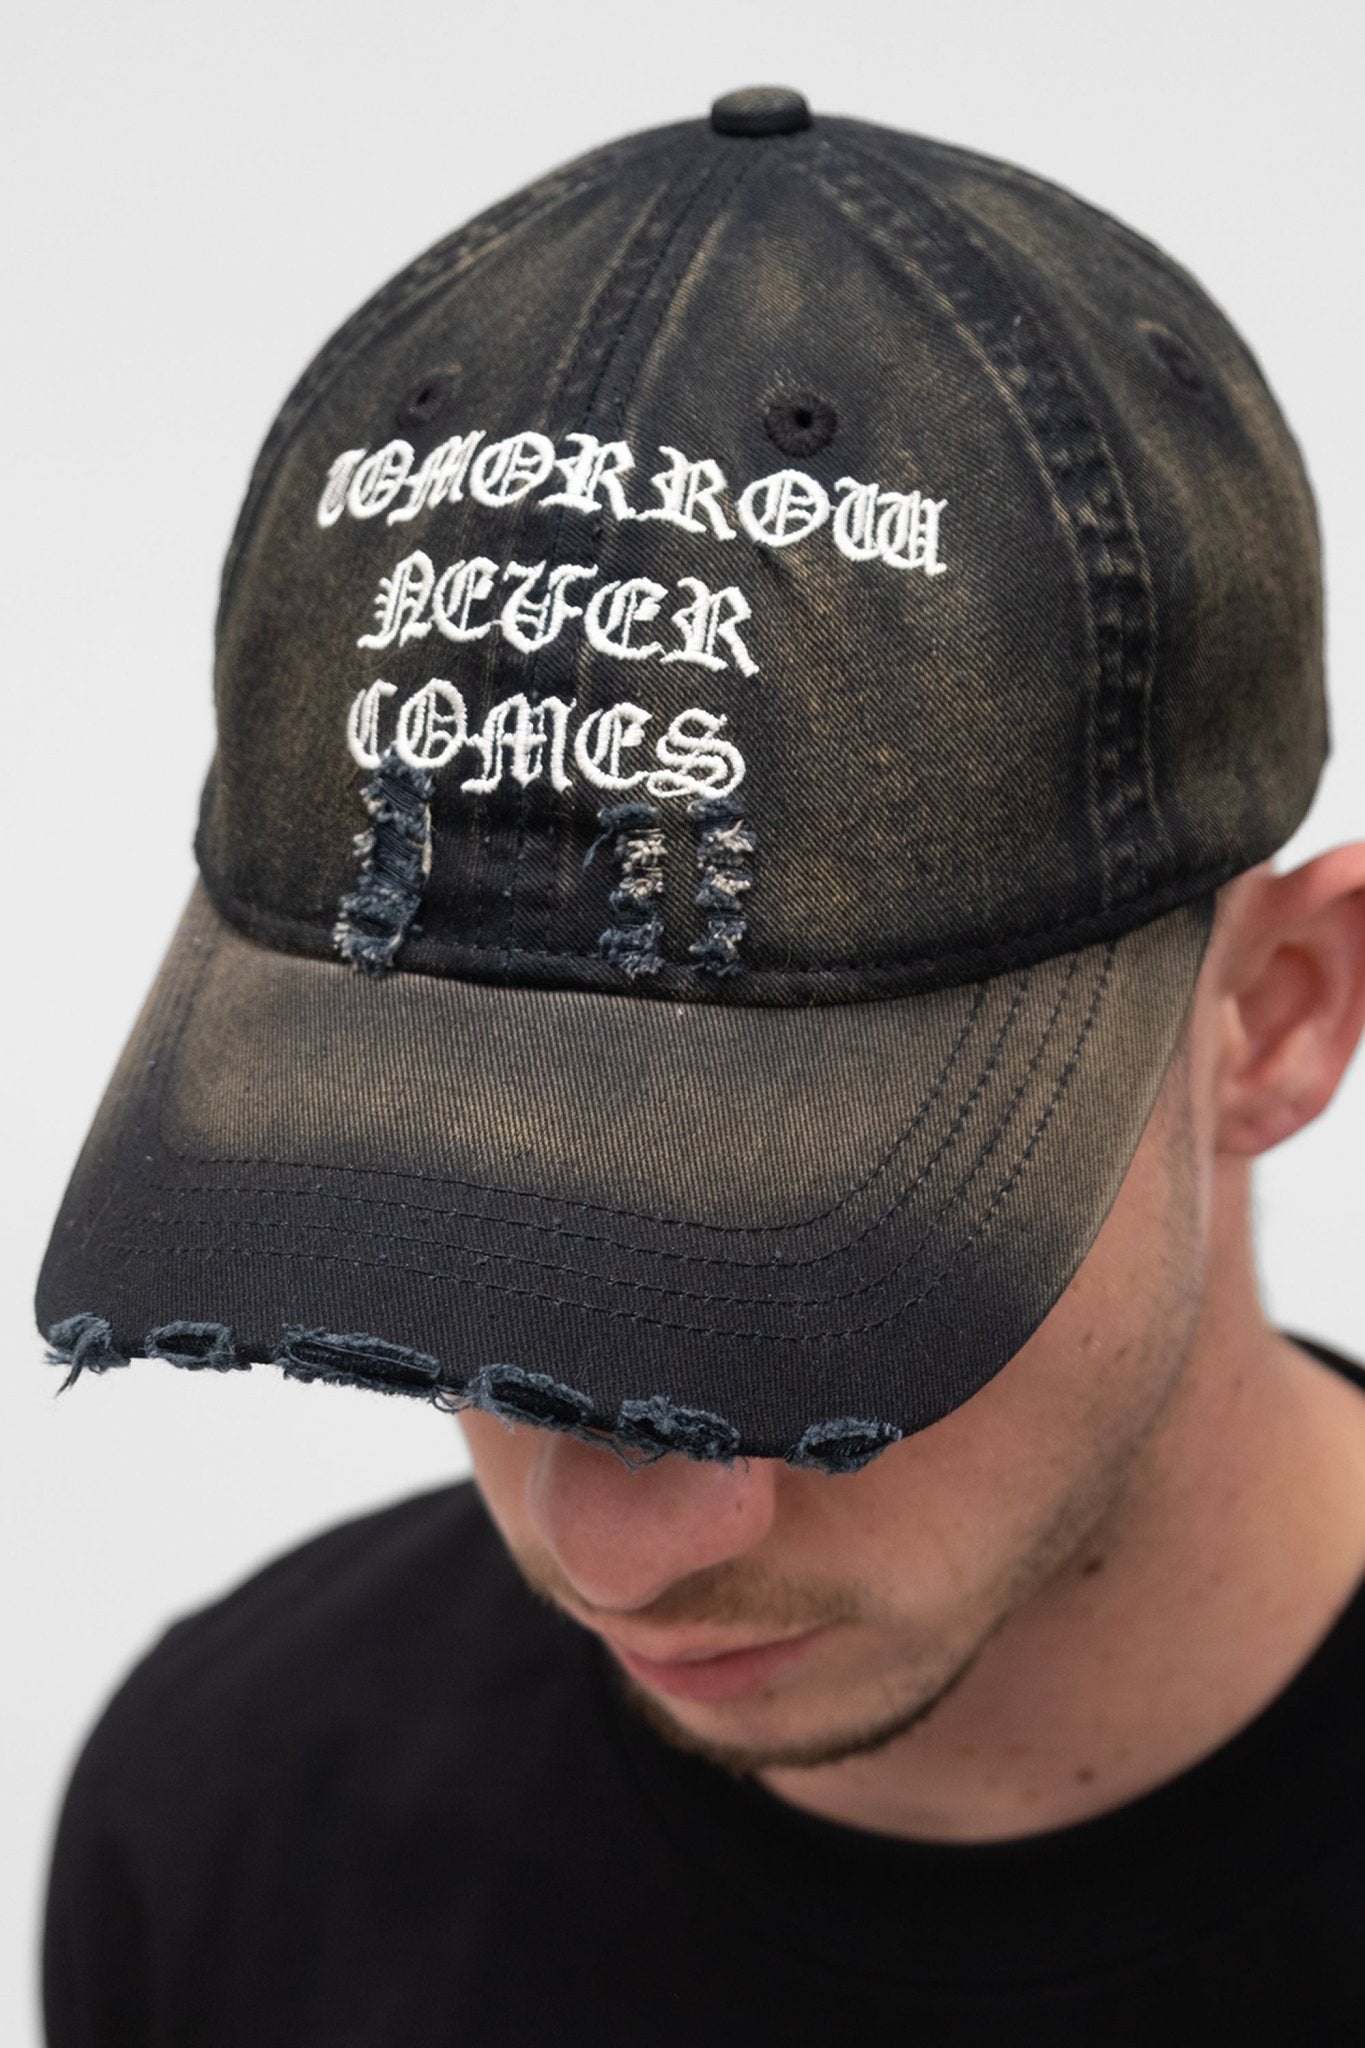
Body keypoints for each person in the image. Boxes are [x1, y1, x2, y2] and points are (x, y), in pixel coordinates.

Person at [36, 86, 1365, 2045]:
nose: (610, 1547)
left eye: (803, 1303)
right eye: (458, 1264)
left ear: (1281, 1011)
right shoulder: (230, 1818)